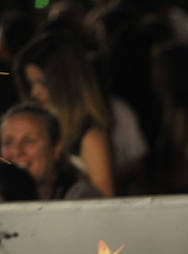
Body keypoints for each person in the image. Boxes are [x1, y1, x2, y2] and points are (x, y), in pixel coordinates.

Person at [13, 32, 115, 196]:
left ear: (65, 83)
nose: (34, 92)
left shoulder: (91, 137)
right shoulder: (49, 127)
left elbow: (104, 205)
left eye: (42, 83)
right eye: (30, 83)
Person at [1, 103, 103, 200]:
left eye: (29, 141)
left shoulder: (80, 197)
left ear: (56, 148)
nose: (17, 151)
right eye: (8, 143)